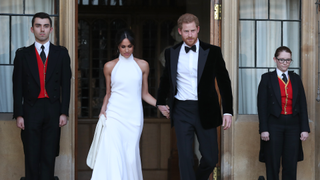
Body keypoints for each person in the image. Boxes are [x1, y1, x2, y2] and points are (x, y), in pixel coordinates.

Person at [156, 13, 233, 180]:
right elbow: (165, 79)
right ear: (179, 31)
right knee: (185, 158)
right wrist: (160, 102)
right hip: (182, 110)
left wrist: (228, 111)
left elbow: (224, 82)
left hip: (206, 109)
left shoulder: (212, 52)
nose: (190, 35)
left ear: (198, 29)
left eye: (192, 31)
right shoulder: (171, 53)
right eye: (186, 31)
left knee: (211, 158)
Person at [90, 28, 168, 180]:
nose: (126, 50)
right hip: (114, 116)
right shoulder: (109, 66)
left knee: (130, 157)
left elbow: (144, 94)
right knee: (114, 155)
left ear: (134, 46)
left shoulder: (143, 65)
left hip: (133, 117)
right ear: (118, 47)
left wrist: (160, 105)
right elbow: (108, 93)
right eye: (123, 46)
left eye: (129, 46)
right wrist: (102, 111)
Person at [12, 12, 72, 180]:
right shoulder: (22, 55)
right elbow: (17, 87)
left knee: (48, 153)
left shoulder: (61, 54)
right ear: (32, 29)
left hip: (53, 108)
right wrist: (19, 114)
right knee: (31, 153)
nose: (42, 29)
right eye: (38, 26)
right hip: (31, 108)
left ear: (51, 29)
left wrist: (63, 112)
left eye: (45, 26)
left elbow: (66, 85)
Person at [257, 46, 310, 180]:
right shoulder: (267, 78)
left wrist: (304, 128)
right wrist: (264, 129)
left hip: (293, 125)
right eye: (281, 60)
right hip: (274, 124)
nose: (285, 63)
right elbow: (262, 106)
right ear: (275, 60)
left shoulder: (296, 79)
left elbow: (303, 105)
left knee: (291, 162)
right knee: (273, 162)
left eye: (288, 60)